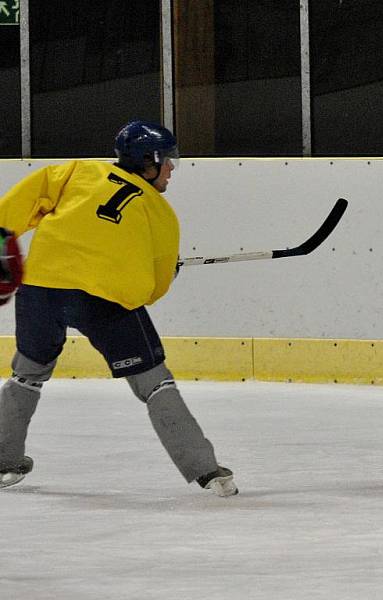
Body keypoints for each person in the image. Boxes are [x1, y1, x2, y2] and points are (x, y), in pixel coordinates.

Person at [0, 120, 237, 496]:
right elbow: (153, 288)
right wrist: (161, 273)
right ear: (150, 162)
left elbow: (15, 209)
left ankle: (2, 462)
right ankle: (207, 472)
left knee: (27, 374)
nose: (173, 169)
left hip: (42, 288)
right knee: (154, 383)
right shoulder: (159, 213)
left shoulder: (77, 171)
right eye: (169, 161)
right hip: (104, 300)